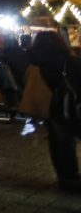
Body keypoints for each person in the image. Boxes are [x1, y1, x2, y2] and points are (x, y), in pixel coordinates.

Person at [28, 29, 81, 192]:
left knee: (61, 143)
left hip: (57, 106)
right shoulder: (68, 60)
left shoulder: (37, 61)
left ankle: (67, 179)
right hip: (75, 106)